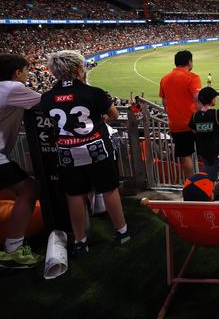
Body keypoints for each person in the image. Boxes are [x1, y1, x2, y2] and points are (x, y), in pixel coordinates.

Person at [41, 51, 129, 254]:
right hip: (96, 147)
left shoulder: (47, 97)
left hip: (67, 151)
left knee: (74, 195)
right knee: (109, 189)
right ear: (78, 69)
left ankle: (80, 241)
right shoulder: (93, 92)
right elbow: (114, 115)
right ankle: (122, 232)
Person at [0, 54, 43, 268]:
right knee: (30, 189)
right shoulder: (12, 88)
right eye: (26, 70)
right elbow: (46, 102)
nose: (28, 75)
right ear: (17, 72)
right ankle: (13, 250)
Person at [159, 50, 202, 178]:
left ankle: (190, 184)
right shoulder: (192, 77)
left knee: (185, 155)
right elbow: (198, 100)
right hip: (194, 123)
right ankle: (206, 185)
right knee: (205, 153)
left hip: (175, 124)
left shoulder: (164, 79)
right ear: (189, 62)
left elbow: (165, 103)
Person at [188, 87, 219, 179]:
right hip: (218, 151)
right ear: (212, 99)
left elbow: (193, 129)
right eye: (215, 97)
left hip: (203, 150)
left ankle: (209, 187)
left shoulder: (195, 115)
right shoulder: (216, 113)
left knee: (208, 170)